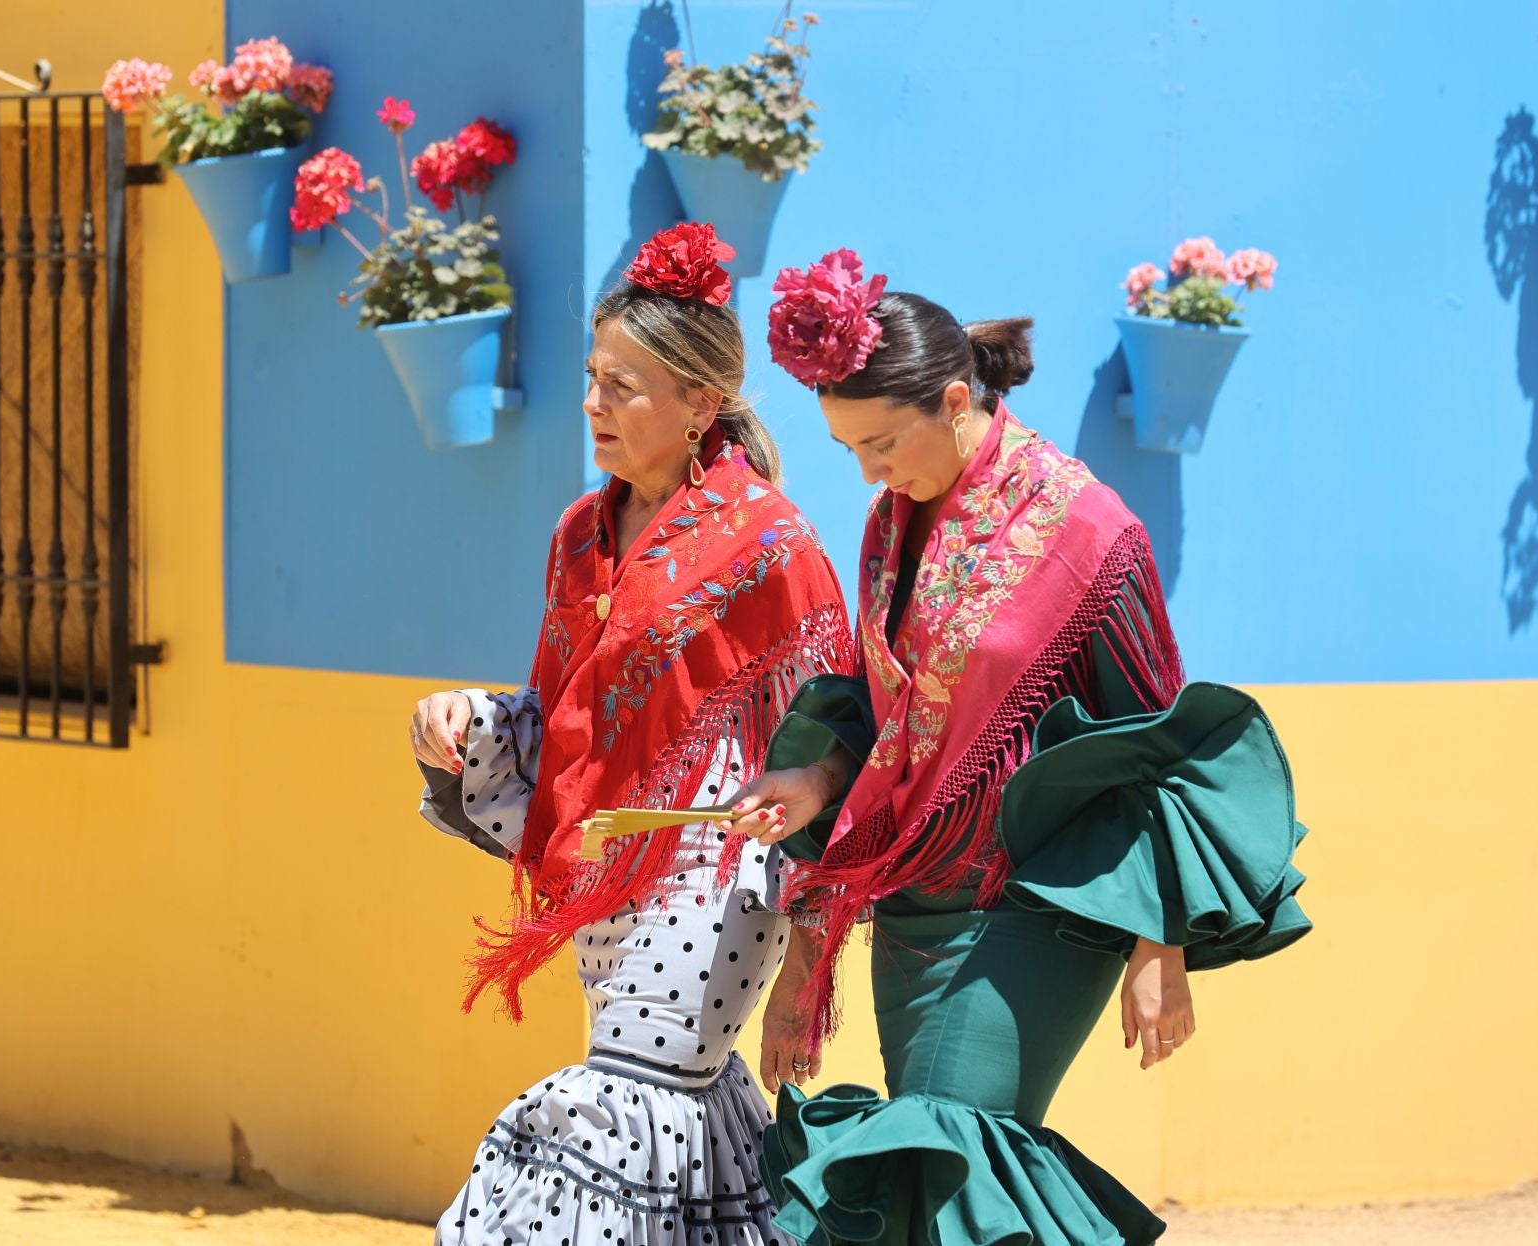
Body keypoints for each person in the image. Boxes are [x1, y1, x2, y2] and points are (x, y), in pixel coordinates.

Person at [723, 250, 1312, 1245]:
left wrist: (1158, 941)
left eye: (881, 442)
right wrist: (815, 774)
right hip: (913, 904)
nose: (868, 472)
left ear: (956, 400)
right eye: (849, 447)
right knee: (928, 1186)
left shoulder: (1090, 534)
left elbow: (1152, 745)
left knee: (953, 1144)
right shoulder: (891, 526)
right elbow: (880, 706)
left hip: (1036, 902)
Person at [410, 224, 855, 1246]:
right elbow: (556, 716)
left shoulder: (772, 545)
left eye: (625, 385)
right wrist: (466, 720)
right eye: (593, 376)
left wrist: (807, 962)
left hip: (719, 879)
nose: (593, 404)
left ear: (701, 403)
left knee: (627, 1110)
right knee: (678, 1151)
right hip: (613, 881)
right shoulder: (579, 534)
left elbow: (834, 752)